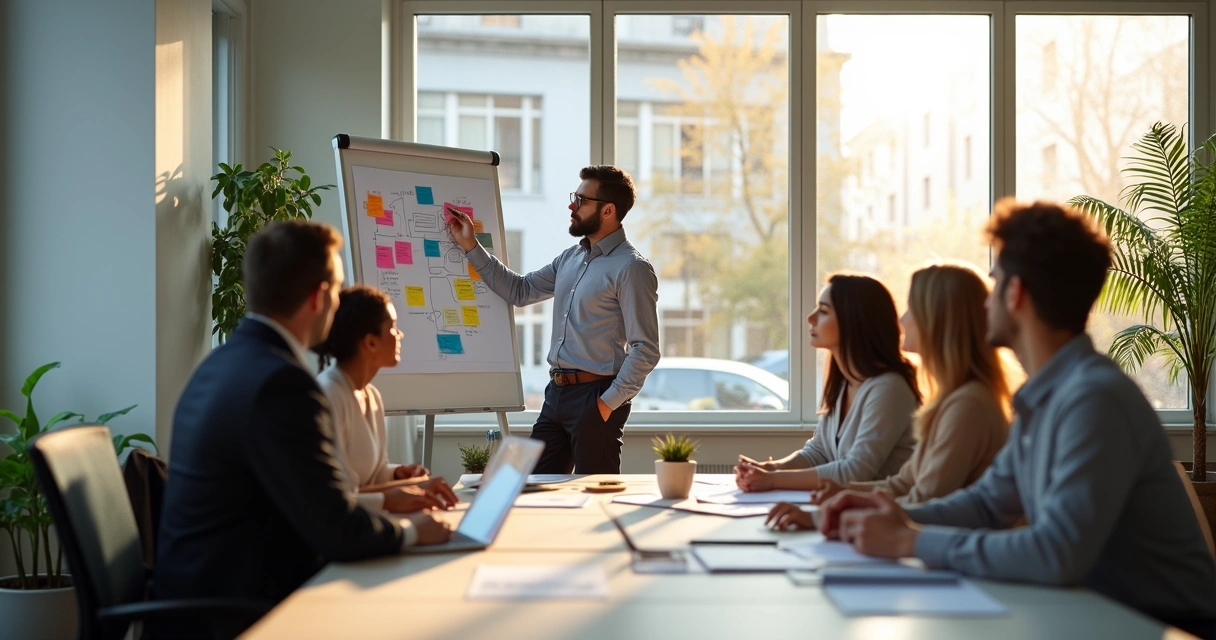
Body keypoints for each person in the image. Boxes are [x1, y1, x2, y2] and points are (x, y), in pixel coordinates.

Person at [813, 199, 1216, 638]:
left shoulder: (1094, 399)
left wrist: (910, 539)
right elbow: (987, 503)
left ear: (1016, 293)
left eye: (994, 285)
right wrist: (891, 511)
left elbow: (1056, 553)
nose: (983, 304)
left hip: (1165, 627)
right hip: (1095, 614)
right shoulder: (1043, 397)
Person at [155, 221, 453, 612]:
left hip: (202, 597)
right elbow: (337, 527)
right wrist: (412, 532)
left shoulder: (221, 365)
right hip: (237, 611)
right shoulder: (283, 384)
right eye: (337, 289)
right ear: (319, 297)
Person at [445, 165, 659, 474]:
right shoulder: (570, 259)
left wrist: (606, 403)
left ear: (609, 210)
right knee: (532, 488)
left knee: (596, 498)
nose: (572, 206)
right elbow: (520, 290)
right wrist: (470, 246)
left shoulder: (631, 268)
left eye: (582, 200)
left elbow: (645, 349)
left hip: (595, 396)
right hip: (556, 394)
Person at [767, 263, 1011, 530]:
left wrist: (821, 516)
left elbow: (923, 500)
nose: (903, 320)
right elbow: (902, 484)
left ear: (937, 320)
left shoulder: (968, 405)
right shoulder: (951, 400)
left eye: (912, 309)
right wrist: (843, 494)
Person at [735, 273, 920, 492]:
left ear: (853, 320)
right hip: (849, 510)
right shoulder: (845, 383)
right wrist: (771, 469)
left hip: (882, 515)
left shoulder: (889, 388)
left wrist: (773, 480)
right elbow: (818, 453)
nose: (811, 318)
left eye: (823, 311)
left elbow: (855, 472)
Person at [314, 285, 459, 513]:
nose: (400, 335)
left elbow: (373, 474)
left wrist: (396, 474)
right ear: (370, 342)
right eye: (393, 328)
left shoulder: (371, 395)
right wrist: (410, 489)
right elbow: (337, 498)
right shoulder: (328, 395)